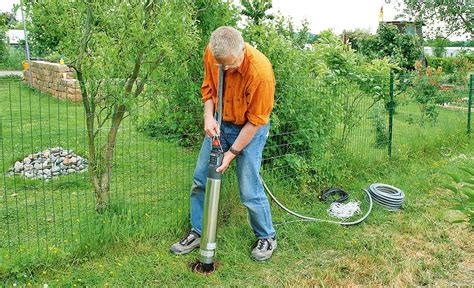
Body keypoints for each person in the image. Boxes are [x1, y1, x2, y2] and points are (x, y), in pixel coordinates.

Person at [170, 26, 276, 261]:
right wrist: (208, 117)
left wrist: (231, 153)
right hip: (219, 122)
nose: (226, 69)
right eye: (222, 65)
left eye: (231, 64)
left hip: (249, 128)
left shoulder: (260, 72)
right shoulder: (213, 54)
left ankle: (266, 236)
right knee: (200, 179)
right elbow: (208, 89)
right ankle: (198, 231)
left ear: (242, 49)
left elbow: (256, 121)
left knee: (249, 187)